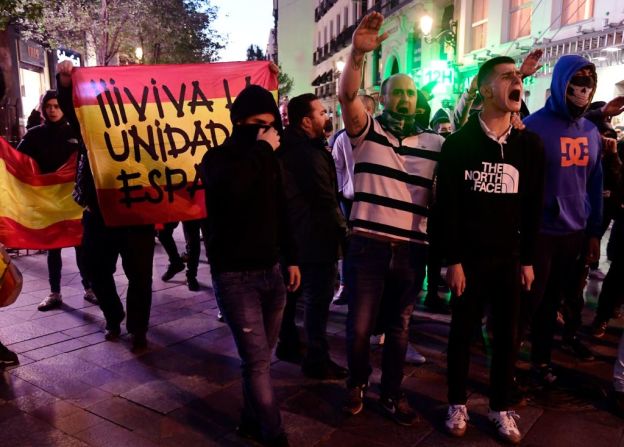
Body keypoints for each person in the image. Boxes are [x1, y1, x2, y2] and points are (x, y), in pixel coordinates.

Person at [338, 12, 443, 425]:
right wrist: (357, 55)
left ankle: (393, 393)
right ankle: (357, 380)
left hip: (412, 249)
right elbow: (347, 96)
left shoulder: (436, 143)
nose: (404, 100)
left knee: (399, 329)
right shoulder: (366, 133)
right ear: (380, 98)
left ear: (419, 101)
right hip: (368, 246)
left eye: (410, 95)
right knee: (360, 327)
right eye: (396, 94)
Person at [437, 56, 544, 444]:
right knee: (461, 334)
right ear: (485, 90)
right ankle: (456, 402)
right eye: (507, 77)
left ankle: (500, 408)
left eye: (518, 76)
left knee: (506, 337)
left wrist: (528, 258)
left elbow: (533, 207)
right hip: (469, 261)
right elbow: (446, 208)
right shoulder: (459, 144)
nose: (516, 81)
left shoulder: (529, 145)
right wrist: (453, 259)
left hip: (509, 260)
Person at [199, 84, 300, 447]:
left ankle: (247, 419)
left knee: (259, 361)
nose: (267, 132)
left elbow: (281, 210)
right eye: (258, 124)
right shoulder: (217, 159)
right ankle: (274, 434)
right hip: (235, 277)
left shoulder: (268, 158)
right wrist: (262, 148)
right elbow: (234, 186)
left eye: (271, 125)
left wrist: (292, 259)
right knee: (257, 362)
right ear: (239, 122)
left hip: (272, 273)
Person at [56, 60, 155, 351]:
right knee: (96, 269)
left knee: (140, 275)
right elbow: (73, 112)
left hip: (137, 212)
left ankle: (138, 329)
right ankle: (114, 316)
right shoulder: (91, 126)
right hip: (98, 212)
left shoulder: (149, 130)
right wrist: (65, 83)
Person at [521, 55, 603, 385]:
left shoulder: (591, 131)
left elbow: (594, 183)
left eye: (589, 80)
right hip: (539, 232)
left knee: (551, 303)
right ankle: (505, 363)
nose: (583, 88)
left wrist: (594, 231)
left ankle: (541, 362)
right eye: (577, 79)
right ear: (561, 82)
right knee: (527, 303)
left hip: (573, 233)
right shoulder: (534, 127)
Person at [277, 93, 348, 380]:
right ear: (306, 121)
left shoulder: (287, 146)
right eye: (320, 113)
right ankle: (317, 359)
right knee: (317, 301)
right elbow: (325, 199)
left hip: (293, 238)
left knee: (292, 298)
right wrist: (344, 235)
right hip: (314, 238)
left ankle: (288, 344)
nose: (325, 116)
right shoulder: (308, 153)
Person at [16, 90, 96, 311]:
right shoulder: (33, 135)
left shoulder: (76, 132)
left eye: (57, 106)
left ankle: (89, 288)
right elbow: (17, 161)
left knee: (81, 245)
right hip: (48, 201)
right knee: (53, 248)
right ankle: (54, 293)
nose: (52, 110)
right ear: (43, 108)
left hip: (73, 200)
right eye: (49, 106)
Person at [330, 94, 376, 305]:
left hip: (373, 201)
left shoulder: (379, 137)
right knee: (346, 244)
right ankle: (345, 286)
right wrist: (342, 190)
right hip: (348, 200)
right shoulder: (341, 138)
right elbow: (337, 166)